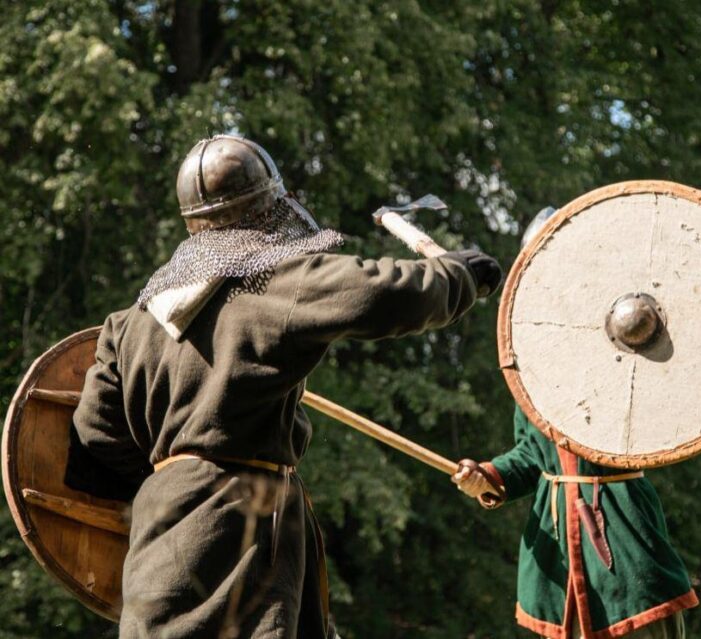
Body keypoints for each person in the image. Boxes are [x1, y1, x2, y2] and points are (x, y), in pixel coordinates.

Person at [72, 134, 502, 639]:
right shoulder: (272, 282)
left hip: (159, 537)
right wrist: (457, 277)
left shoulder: (129, 322)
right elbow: (380, 292)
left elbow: (94, 435)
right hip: (243, 531)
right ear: (268, 208)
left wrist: (173, 480)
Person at [453, 208, 698, 639]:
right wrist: (488, 476)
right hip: (554, 554)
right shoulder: (531, 363)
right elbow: (531, 455)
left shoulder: (629, 345)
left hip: (624, 539)